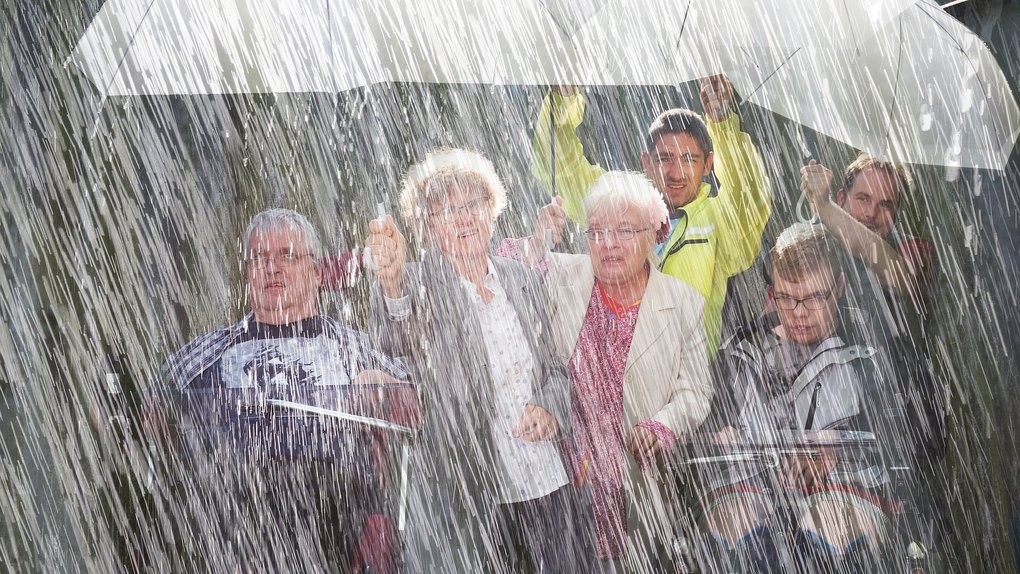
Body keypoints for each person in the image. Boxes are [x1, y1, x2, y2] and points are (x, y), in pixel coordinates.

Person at [363, 148, 587, 573]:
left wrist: (550, 409)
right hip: (468, 493)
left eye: (471, 205)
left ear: (492, 208)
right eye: (447, 212)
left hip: (544, 478)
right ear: (427, 227)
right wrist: (392, 283)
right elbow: (397, 349)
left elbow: (555, 369)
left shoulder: (520, 279)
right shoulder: (414, 285)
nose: (464, 218)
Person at [152, 208, 409, 572]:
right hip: (236, 513)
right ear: (246, 275)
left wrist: (387, 388)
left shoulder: (350, 347)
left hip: (332, 512)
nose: (272, 268)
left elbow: (411, 404)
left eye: (287, 256)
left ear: (317, 272)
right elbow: (142, 409)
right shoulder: (209, 351)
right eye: (259, 258)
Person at [502, 171, 714, 571]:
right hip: (559, 482)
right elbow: (500, 270)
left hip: (631, 484)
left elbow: (695, 393)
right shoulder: (560, 278)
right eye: (596, 231)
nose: (608, 244)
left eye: (625, 231)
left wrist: (662, 425)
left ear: (653, 234)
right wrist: (538, 239)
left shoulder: (684, 304)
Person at [700, 224, 902, 573]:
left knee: (827, 533)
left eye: (813, 297)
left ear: (839, 287)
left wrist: (837, 445)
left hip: (845, 489)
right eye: (787, 297)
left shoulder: (869, 355)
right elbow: (703, 427)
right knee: (737, 536)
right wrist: (717, 433)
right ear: (772, 292)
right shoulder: (738, 354)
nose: (798, 312)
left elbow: (908, 435)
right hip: (748, 489)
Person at [532, 76, 772, 355]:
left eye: (689, 159)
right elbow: (562, 167)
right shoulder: (620, 202)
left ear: (708, 164)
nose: (676, 173)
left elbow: (750, 195)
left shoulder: (718, 222)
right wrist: (563, 100)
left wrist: (722, 123)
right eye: (665, 158)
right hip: (613, 375)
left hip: (687, 378)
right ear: (646, 162)